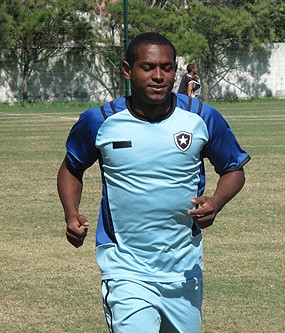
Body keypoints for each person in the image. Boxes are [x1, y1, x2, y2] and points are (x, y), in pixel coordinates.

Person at [57, 32, 250, 333]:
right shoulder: (100, 121)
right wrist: (71, 214)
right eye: (147, 67)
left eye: (167, 67)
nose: (159, 76)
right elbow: (72, 167)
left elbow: (233, 169)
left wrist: (216, 201)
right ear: (127, 69)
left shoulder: (201, 116)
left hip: (184, 270)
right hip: (125, 269)